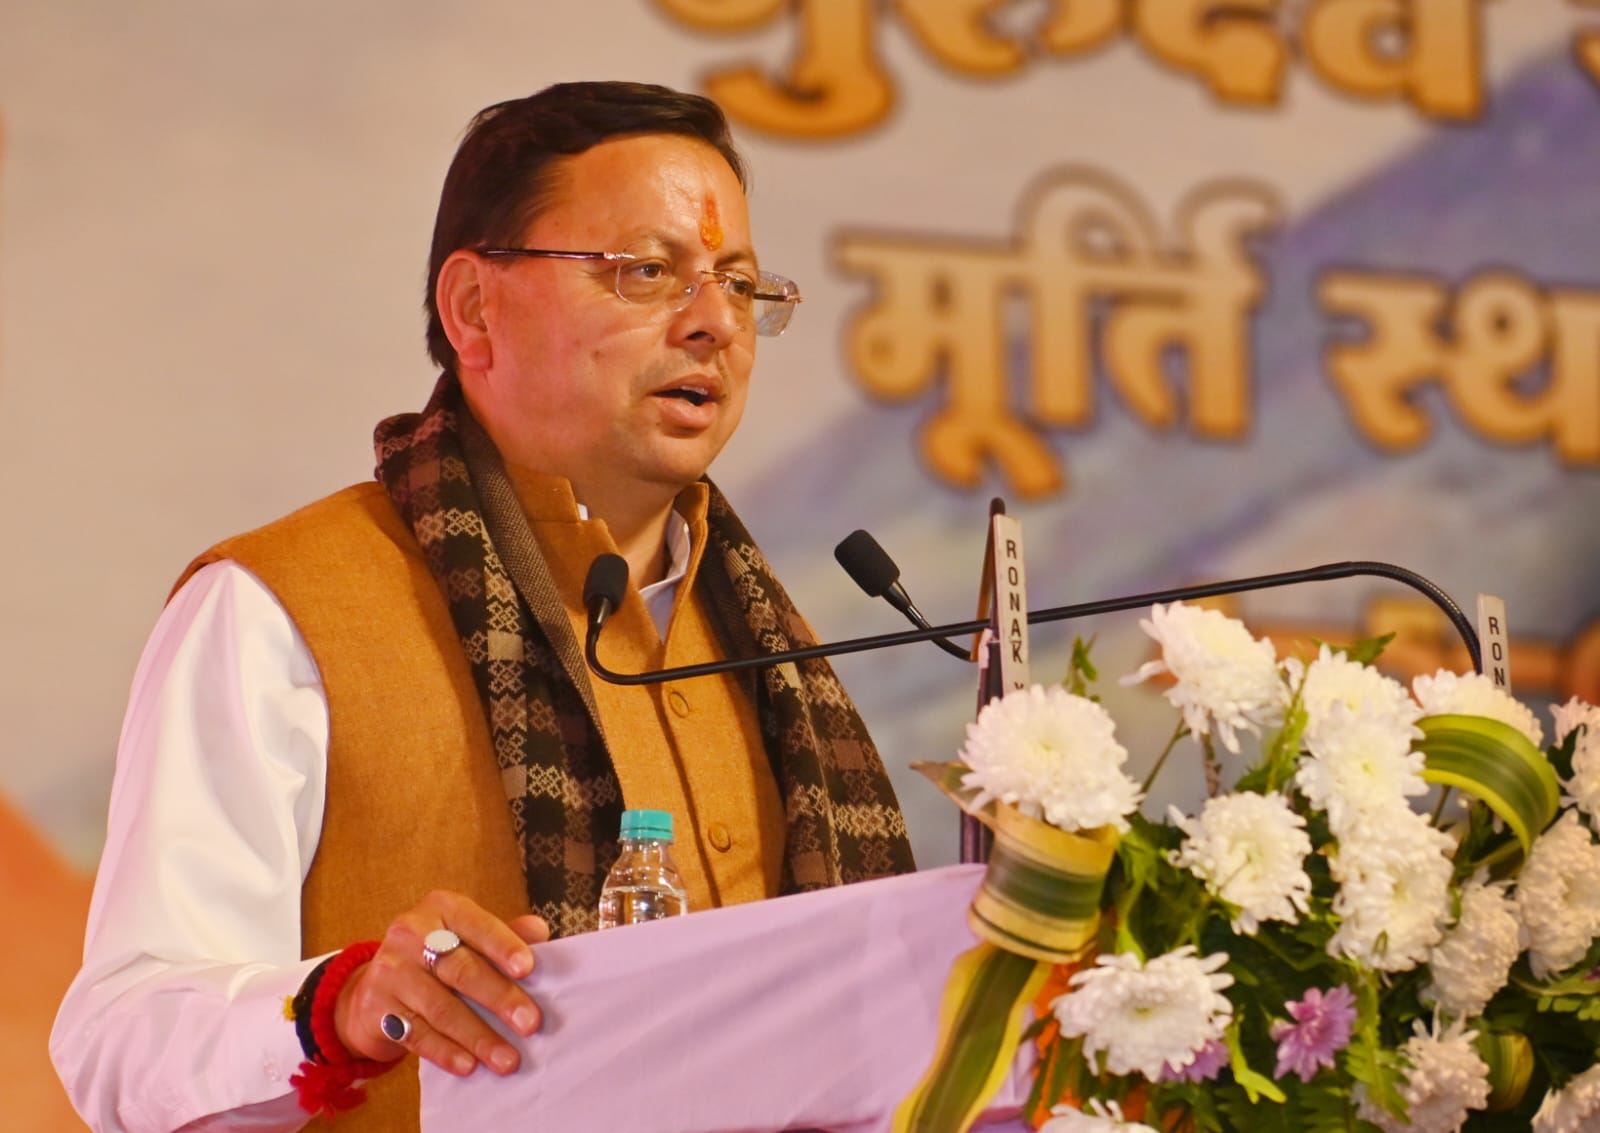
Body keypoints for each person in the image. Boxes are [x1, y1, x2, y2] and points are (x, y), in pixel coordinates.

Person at [51, 81, 915, 1133]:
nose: (714, 323)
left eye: (737, 283)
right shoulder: (280, 607)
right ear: (472, 308)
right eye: (647, 271)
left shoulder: (769, 651)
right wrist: (343, 1006)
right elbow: (125, 1033)